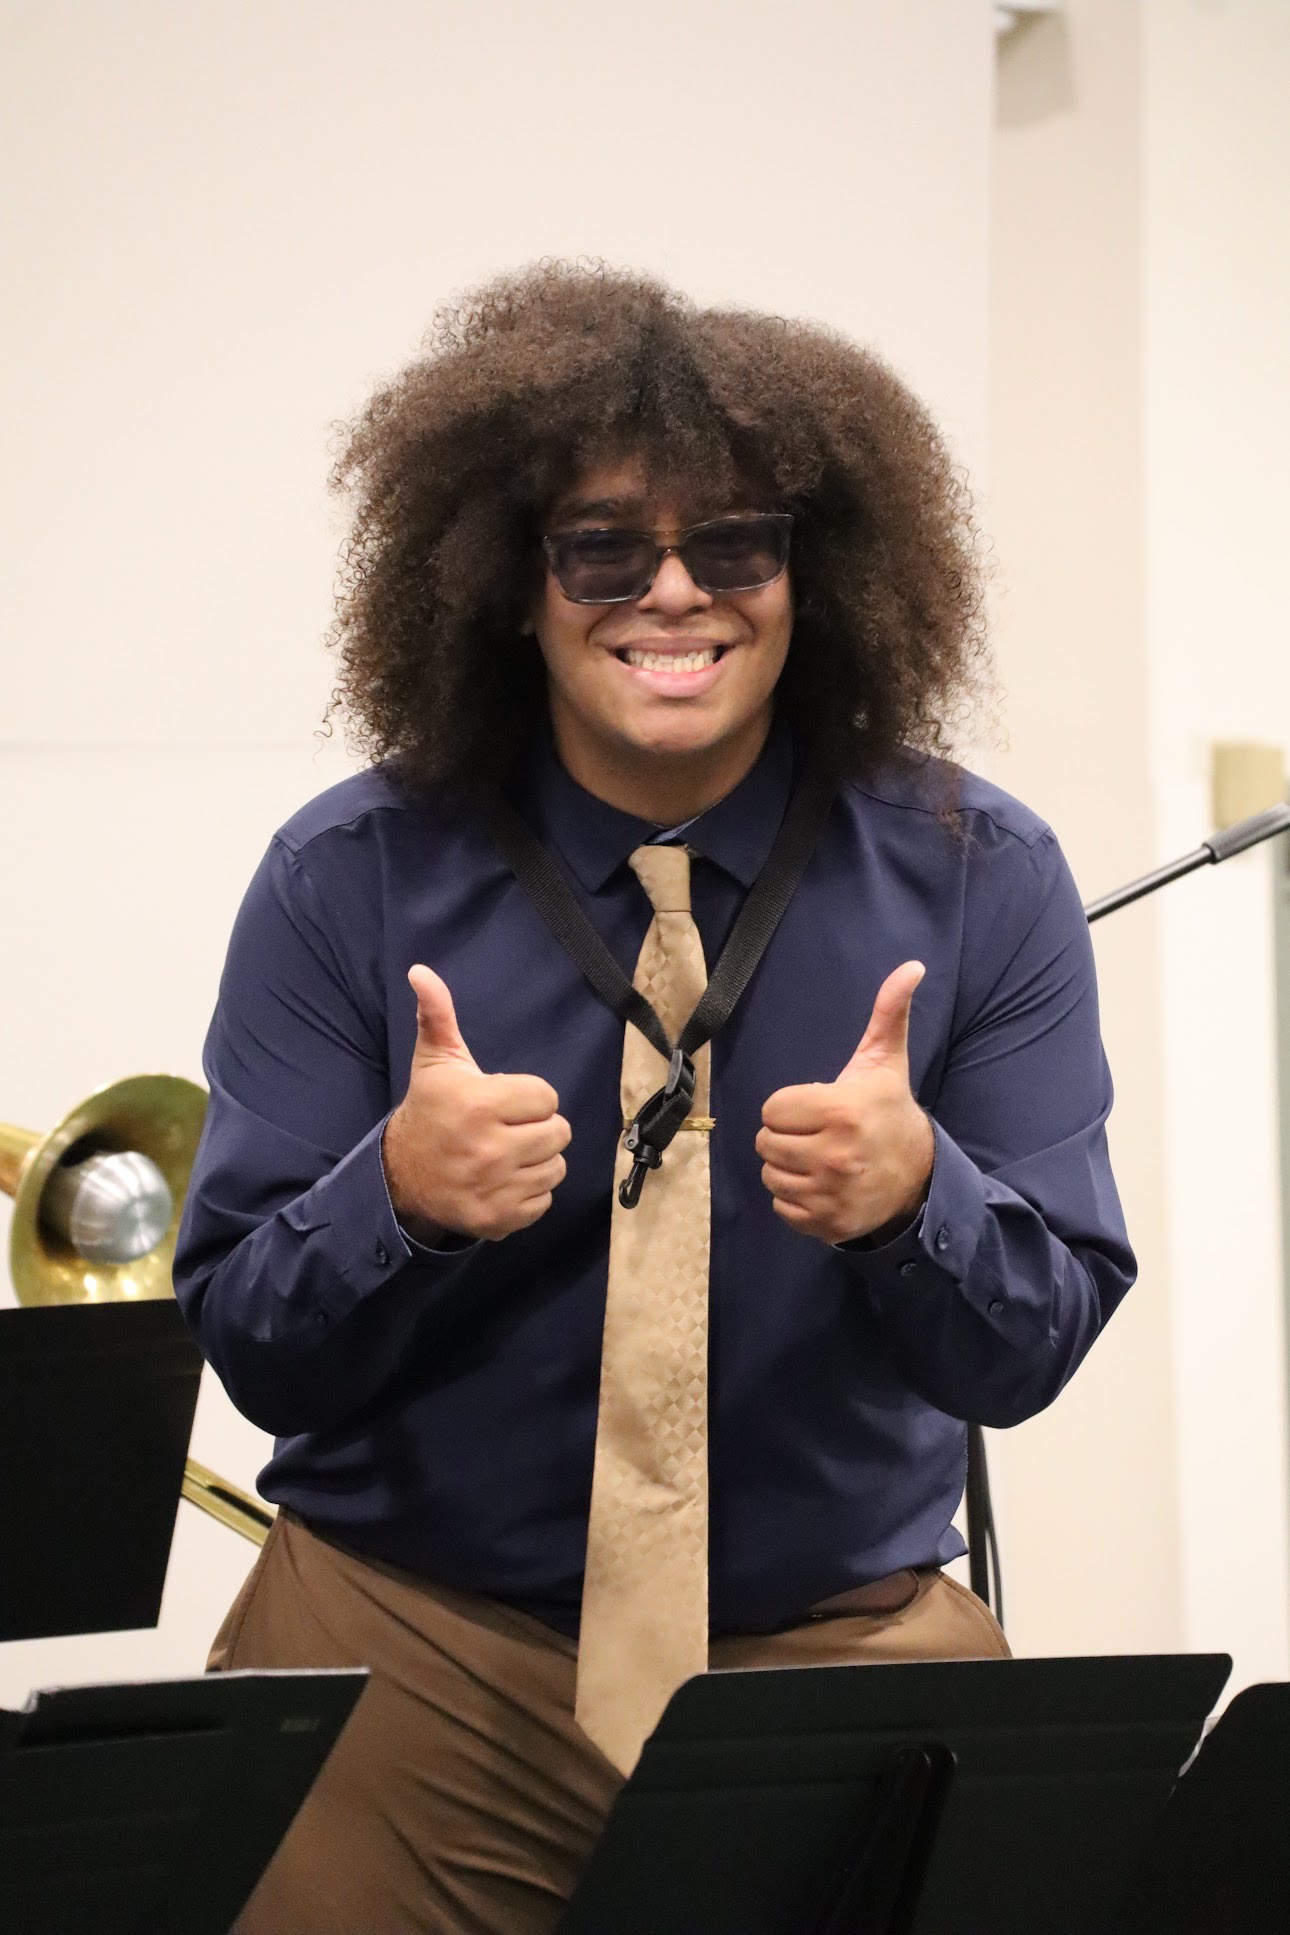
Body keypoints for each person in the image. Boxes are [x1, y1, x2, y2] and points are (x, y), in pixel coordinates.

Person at [174, 262, 1135, 1935]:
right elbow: (254, 1349)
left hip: (833, 1650)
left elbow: (1027, 1356)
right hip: (415, 1644)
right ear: (511, 583)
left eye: (735, 545)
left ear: (813, 575)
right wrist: (390, 1204)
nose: (674, 593)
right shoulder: (346, 878)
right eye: (604, 549)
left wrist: (920, 1207)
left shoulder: (983, 877)